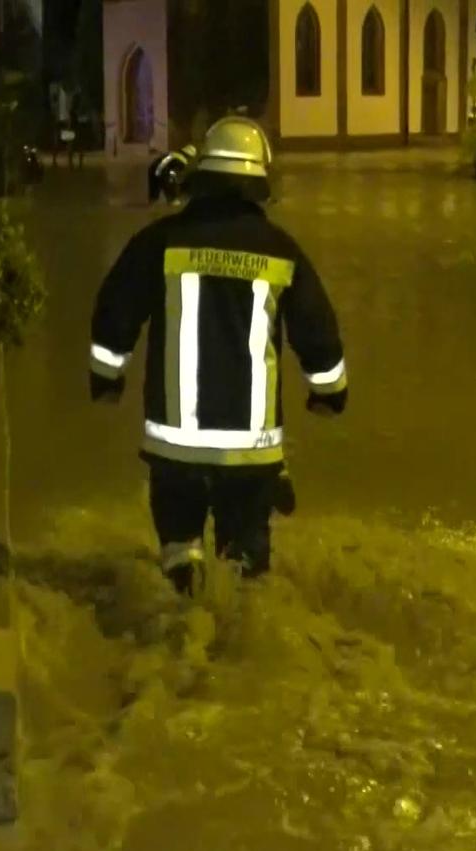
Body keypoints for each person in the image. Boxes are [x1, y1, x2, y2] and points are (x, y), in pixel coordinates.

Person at [89, 116, 347, 595]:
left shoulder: (159, 242)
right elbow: (319, 333)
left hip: (174, 449)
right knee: (246, 567)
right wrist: (329, 394)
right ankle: (242, 628)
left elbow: (114, 313)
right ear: (260, 182)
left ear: (202, 175)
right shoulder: (281, 251)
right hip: (249, 454)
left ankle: (181, 583)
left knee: (178, 547)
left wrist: (106, 379)